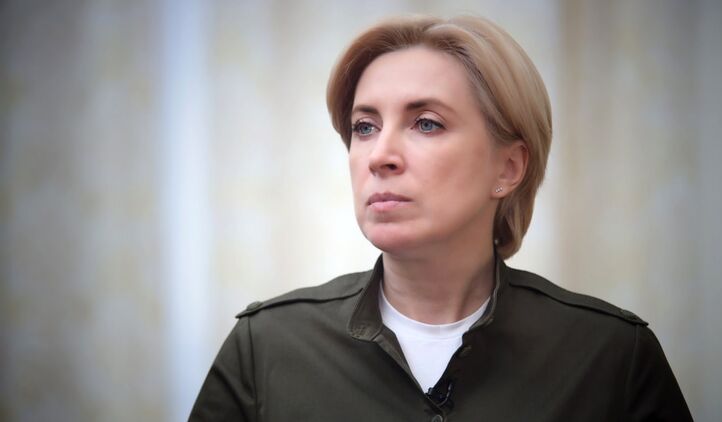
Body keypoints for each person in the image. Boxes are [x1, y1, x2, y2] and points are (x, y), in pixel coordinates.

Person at [190, 15, 692, 421]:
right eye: (364, 127)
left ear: (508, 167)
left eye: (426, 124)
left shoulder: (611, 358)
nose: (379, 156)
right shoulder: (265, 347)